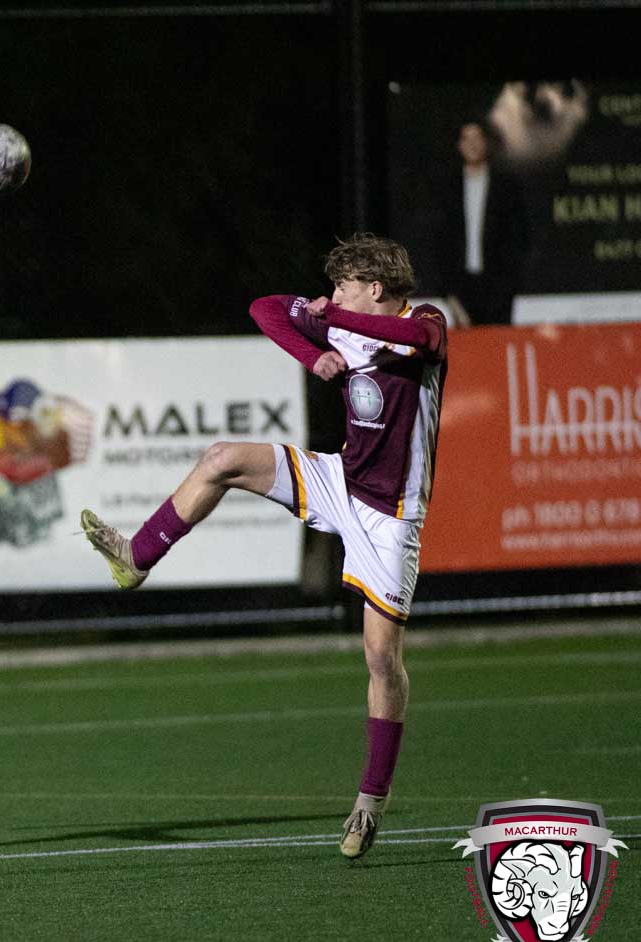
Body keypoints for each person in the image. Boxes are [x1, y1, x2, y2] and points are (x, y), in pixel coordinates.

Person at [80, 235, 447, 860]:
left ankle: (370, 801)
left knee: (381, 659)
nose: (331, 297)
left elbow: (420, 341)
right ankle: (135, 558)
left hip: (393, 516)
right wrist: (313, 351)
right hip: (341, 481)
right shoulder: (340, 320)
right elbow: (266, 308)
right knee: (222, 458)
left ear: (374, 288)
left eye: (342, 287)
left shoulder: (425, 321)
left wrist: (335, 322)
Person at [436, 122, 529, 325]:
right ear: (459, 145)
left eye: (477, 138)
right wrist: (449, 294)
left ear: (486, 143)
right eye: (466, 139)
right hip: (462, 288)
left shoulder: (505, 187)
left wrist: (509, 285)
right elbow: (441, 242)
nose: (473, 144)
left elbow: (518, 237)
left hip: (498, 288)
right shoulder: (448, 189)